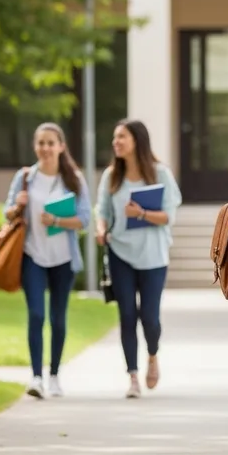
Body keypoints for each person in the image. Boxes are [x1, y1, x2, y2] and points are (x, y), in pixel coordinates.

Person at [95, 119, 182, 399]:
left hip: (153, 255)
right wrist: (101, 230)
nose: (116, 142)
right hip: (120, 252)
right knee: (127, 316)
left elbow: (168, 216)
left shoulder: (160, 174)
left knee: (150, 318)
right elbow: (102, 211)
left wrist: (141, 214)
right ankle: (133, 377)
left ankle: (152, 356)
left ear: (137, 141)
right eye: (115, 137)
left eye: (122, 137)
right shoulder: (112, 176)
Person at [3, 123, 91, 399]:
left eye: (51, 143)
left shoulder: (73, 179)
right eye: (41, 143)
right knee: (36, 315)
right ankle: (36, 377)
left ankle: (54, 376)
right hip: (33, 256)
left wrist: (56, 220)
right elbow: (7, 213)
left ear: (61, 146)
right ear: (35, 146)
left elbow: (84, 219)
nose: (45, 148)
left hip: (63, 259)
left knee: (58, 319)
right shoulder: (25, 177)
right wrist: (17, 206)